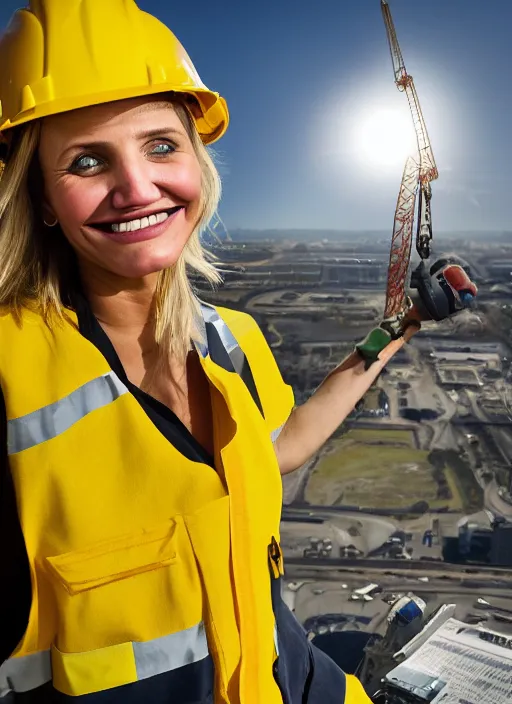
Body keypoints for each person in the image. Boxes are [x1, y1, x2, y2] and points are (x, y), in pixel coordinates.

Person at [0, 1, 477, 702]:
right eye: (88, 161)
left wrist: (398, 327)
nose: (137, 187)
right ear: (40, 197)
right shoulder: (12, 374)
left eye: (161, 145)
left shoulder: (232, 340)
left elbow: (283, 443)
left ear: (197, 160)